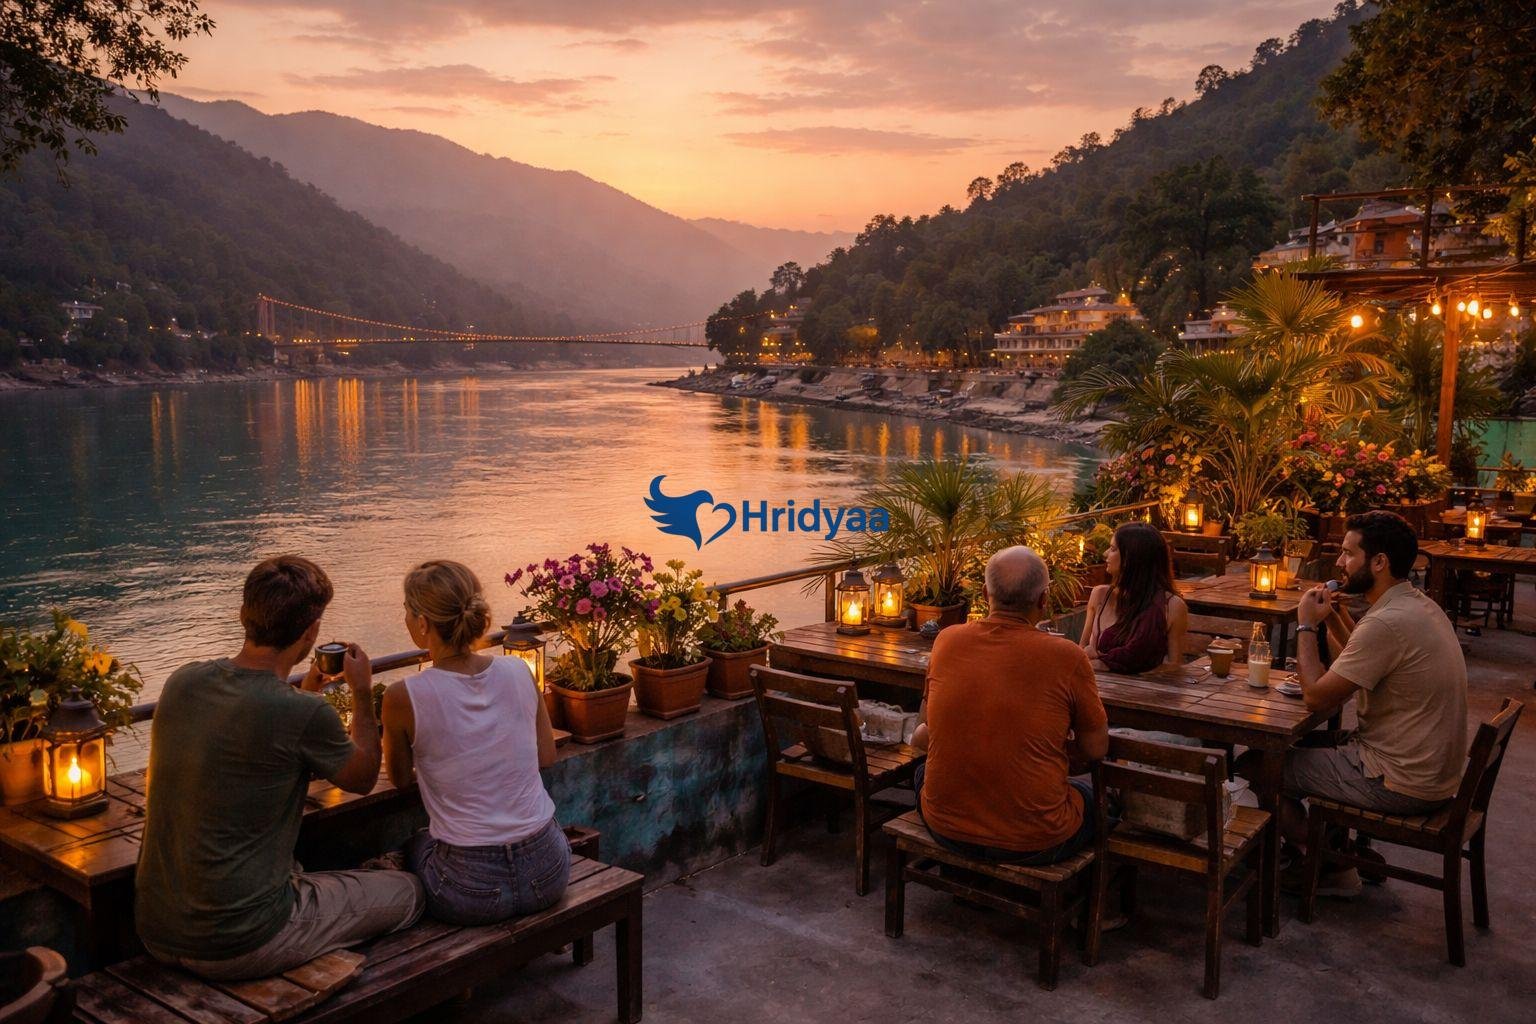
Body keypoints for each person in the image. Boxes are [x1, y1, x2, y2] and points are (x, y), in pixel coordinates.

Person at [136, 556, 424, 981]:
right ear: (311, 632)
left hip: (157, 928)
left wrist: (306, 693)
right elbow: (363, 778)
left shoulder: (182, 682)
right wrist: (363, 693)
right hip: (243, 940)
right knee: (411, 894)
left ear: (244, 615)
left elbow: (253, 744)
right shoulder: (301, 713)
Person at [1263, 511, 1468, 896]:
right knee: (1301, 746)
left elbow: (1316, 695)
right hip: (1428, 771)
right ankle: (1335, 850)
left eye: (1347, 553)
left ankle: (1329, 863)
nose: (1339, 563)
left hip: (1398, 780)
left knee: (1260, 767)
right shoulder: (1413, 605)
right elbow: (1359, 658)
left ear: (1379, 562)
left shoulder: (1387, 623)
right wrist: (1335, 615)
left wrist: (1306, 624)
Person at [382, 560, 568, 925]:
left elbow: (401, 778)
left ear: (422, 624)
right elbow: (546, 755)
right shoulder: (519, 670)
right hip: (548, 871)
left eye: (406, 611)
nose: (404, 618)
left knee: (415, 845)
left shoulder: (404, 696)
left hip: (470, 890)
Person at [912, 547, 1110, 864]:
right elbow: (1096, 748)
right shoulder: (1067, 656)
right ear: (1044, 599)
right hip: (1036, 841)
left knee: (923, 772)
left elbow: (927, 726)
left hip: (946, 828)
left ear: (985, 592)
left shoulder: (947, 641)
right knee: (1102, 798)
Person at [1080, 522, 1190, 673]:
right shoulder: (1099, 595)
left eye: (1113, 549)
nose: (1105, 554)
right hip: (1098, 686)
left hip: (1143, 691)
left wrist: (1108, 664)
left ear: (1131, 558)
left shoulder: (1171, 606)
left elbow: (1174, 667)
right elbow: (1081, 653)